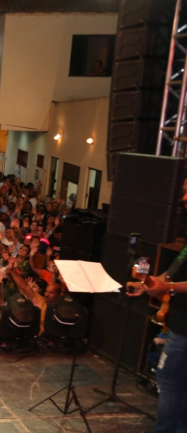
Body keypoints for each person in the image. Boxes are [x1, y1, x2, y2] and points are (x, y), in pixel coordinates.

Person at [126, 180, 187, 432]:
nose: (182, 198)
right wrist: (147, 284)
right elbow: (172, 274)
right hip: (179, 324)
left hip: (185, 329)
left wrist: (168, 289)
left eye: (186, 191)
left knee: (170, 381)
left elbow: (172, 284)